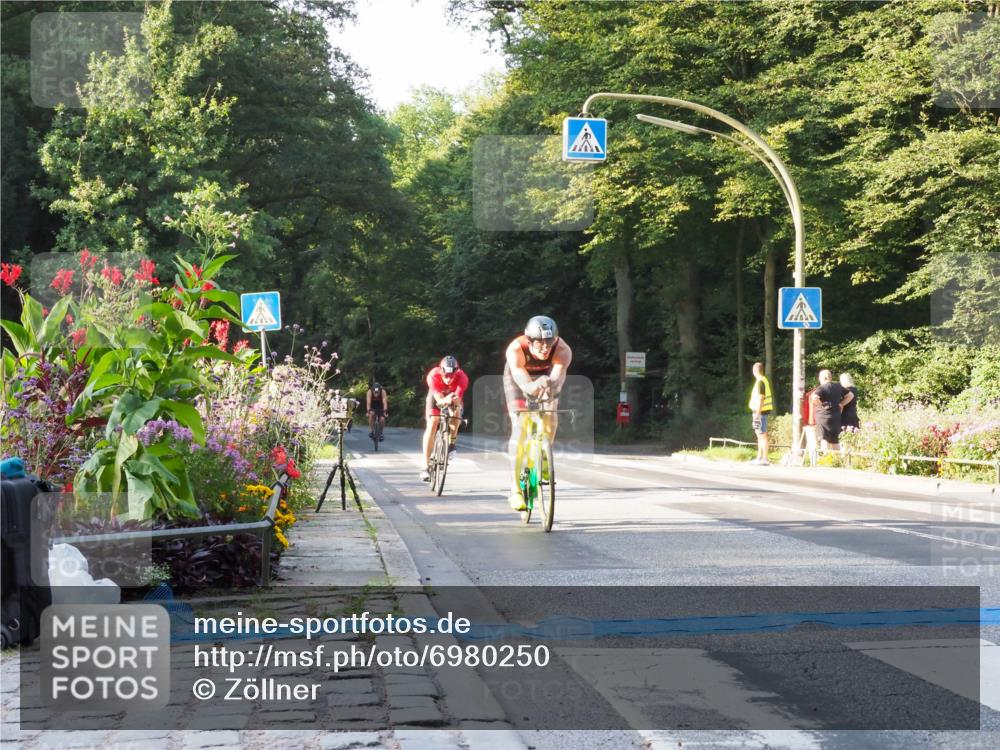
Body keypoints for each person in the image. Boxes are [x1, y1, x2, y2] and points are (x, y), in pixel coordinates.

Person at [503, 316, 572, 511]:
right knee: (520, 425)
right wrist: (534, 386)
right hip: (519, 379)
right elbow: (524, 384)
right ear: (529, 340)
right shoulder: (516, 349)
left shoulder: (563, 350)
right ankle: (515, 490)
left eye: (549, 342)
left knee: (551, 411)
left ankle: (543, 456)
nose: (545, 347)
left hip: (547, 377)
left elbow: (557, 379)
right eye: (540, 343)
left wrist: (549, 386)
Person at [420, 356, 470, 482]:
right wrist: (445, 401)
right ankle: (425, 466)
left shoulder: (462, 378)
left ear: (456, 372)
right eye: (446, 375)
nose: (449, 378)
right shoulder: (433, 375)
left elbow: (457, 399)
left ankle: (451, 442)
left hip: (453, 396)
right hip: (437, 397)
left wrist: (453, 406)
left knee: (456, 412)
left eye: (451, 375)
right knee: (432, 423)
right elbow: (439, 400)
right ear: (441, 372)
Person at [809, 369, 853, 452]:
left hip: (823, 418)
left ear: (823, 378)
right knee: (835, 441)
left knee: (824, 439)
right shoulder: (838, 387)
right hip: (836, 417)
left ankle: (825, 460)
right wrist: (841, 404)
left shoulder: (822, 388)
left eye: (819, 377)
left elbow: (814, 397)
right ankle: (837, 461)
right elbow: (850, 395)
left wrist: (821, 405)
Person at [748, 362, 773, 465]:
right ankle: (759, 457)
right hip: (759, 412)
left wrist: (757, 414)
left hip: (761, 413)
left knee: (762, 435)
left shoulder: (760, 382)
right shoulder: (762, 381)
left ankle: (765, 458)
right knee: (759, 434)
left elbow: (761, 398)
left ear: (754, 371)